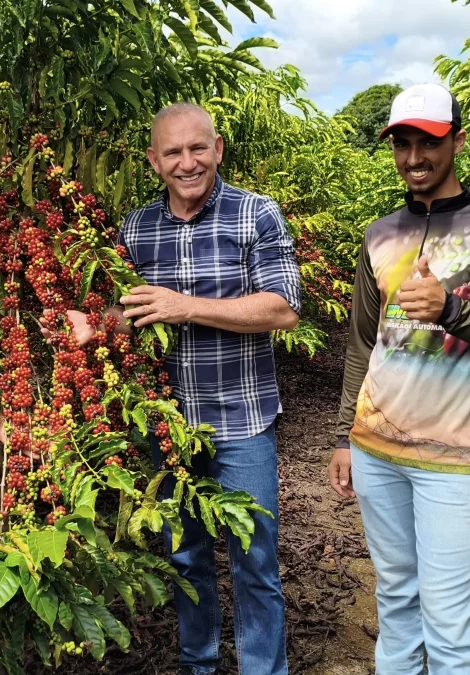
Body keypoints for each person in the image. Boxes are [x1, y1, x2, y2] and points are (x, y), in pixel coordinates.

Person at [48, 102, 299, 675]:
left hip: (241, 421)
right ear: (153, 161)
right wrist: (95, 326)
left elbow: (283, 308)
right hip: (169, 429)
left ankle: (263, 669)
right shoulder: (135, 228)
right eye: (173, 152)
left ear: (218, 149)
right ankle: (198, 664)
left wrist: (186, 306)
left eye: (198, 148)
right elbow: (129, 314)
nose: (188, 163)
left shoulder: (255, 213)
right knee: (186, 557)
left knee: (255, 561)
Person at [327, 83, 470, 674]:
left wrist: (453, 309)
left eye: (427, 142)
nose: (414, 157)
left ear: (456, 140)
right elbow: (362, 341)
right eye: (402, 144)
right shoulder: (379, 234)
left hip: (452, 461)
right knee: (396, 601)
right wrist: (343, 435)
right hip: (375, 450)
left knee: (451, 627)